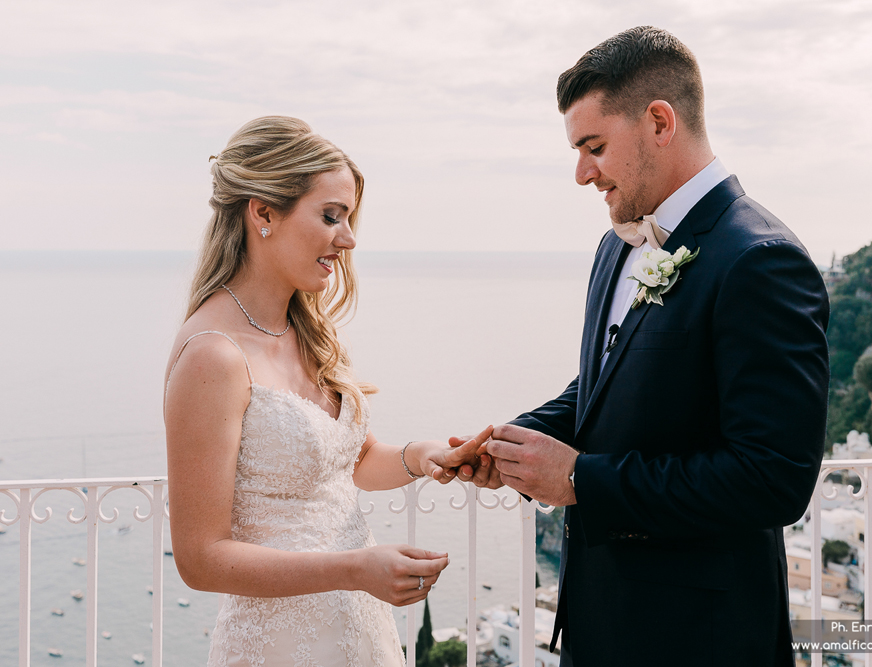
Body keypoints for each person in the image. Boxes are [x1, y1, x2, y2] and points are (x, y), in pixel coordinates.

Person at [475, 27, 830, 665]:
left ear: (659, 122)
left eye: (594, 146)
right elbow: (605, 386)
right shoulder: (616, 245)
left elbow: (772, 478)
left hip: (701, 636)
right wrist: (514, 442)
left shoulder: (760, 259)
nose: (582, 172)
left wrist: (581, 478)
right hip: (602, 625)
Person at [163, 116, 490, 667]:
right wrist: (357, 568)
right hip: (280, 647)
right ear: (263, 212)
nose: (349, 238)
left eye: (349, 218)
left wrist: (424, 456)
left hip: (360, 632)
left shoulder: (306, 330)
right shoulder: (213, 356)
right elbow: (200, 560)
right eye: (331, 215)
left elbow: (351, 460)